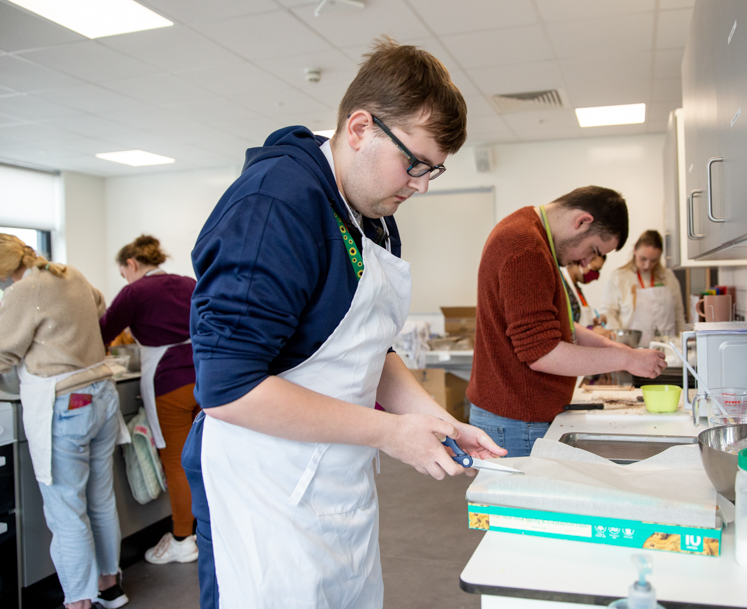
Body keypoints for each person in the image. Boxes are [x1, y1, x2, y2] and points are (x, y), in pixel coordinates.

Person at [183, 37, 505, 609]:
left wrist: (435, 420)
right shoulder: (276, 206)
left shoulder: (370, 212)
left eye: (433, 171)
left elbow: (368, 348)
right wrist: (389, 432)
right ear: (360, 128)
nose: (420, 185)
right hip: (263, 487)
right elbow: (227, 389)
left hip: (334, 479)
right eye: (415, 164)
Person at [466, 187, 668, 457]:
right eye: (593, 250)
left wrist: (617, 349)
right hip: (516, 422)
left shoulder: (532, 235)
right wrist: (627, 360)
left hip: (519, 417)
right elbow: (542, 353)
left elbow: (560, 328)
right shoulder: (526, 248)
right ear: (582, 221)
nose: (585, 262)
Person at [0, 235, 130, 609]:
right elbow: (99, 303)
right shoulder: (69, 273)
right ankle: (109, 587)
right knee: (100, 499)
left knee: (67, 509)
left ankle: (78, 602)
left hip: (66, 403)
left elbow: (3, 353)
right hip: (102, 395)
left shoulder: (23, 290)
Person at [99, 235, 199, 565]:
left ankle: (183, 540)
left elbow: (102, 332)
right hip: (202, 378)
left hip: (168, 382)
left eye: (123, 273)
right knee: (202, 458)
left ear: (131, 264)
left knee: (177, 464)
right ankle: (208, 531)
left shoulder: (135, 292)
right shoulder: (187, 283)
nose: (125, 279)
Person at [599, 229, 687, 347]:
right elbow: (608, 313)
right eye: (643, 259)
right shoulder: (619, 278)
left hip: (667, 348)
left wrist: (684, 342)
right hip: (632, 348)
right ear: (635, 250)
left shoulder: (669, 277)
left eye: (654, 260)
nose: (647, 265)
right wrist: (619, 341)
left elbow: (679, 315)